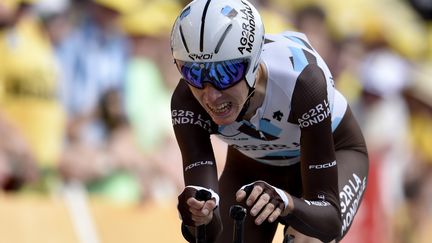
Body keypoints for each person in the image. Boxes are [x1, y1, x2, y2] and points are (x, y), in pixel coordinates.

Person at [170, 0, 369, 242]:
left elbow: (329, 222)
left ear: (253, 62)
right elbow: (209, 233)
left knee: (307, 240)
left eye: (225, 73)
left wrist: (286, 202)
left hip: (335, 151)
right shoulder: (186, 99)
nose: (210, 94)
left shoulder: (303, 83)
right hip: (252, 165)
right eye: (193, 72)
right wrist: (195, 217)